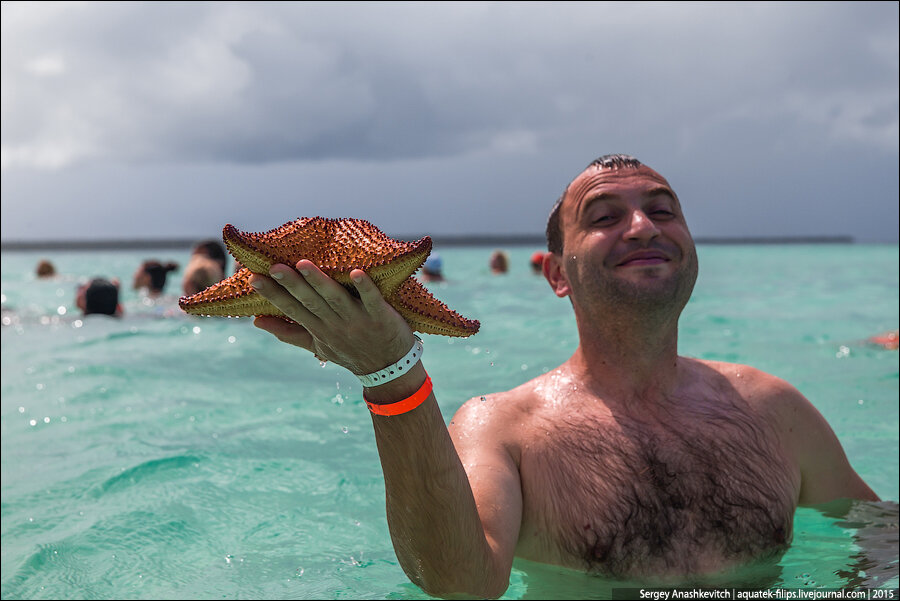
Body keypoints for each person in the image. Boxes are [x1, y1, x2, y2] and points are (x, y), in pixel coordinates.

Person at [246, 154, 878, 598]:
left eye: (663, 210)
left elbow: (879, 537)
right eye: (604, 217)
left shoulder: (772, 409)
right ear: (556, 274)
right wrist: (391, 374)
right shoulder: (505, 428)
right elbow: (460, 583)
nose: (642, 226)